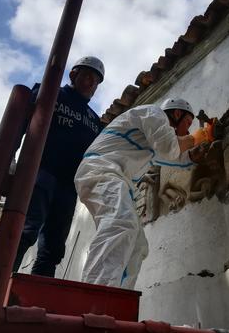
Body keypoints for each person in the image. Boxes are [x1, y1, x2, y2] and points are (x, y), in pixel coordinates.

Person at [74, 98, 213, 289]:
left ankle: (118, 300)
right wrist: (197, 137)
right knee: (120, 222)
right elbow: (169, 148)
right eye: (188, 124)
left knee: (138, 246)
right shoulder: (152, 113)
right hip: (100, 170)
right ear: (177, 114)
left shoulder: (150, 140)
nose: (188, 130)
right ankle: (94, 293)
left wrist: (192, 155)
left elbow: (173, 158)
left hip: (112, 177)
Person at [12, 56, 105, 277]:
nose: (91, 84)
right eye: (88, 76)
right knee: (24, 232)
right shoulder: (51, 94)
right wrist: (11, 159)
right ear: (74, 74)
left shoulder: (93, 120)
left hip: (68, 187)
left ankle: (31, 301)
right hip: (39, 173)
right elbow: (19, 124)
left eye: (96, 82)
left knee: (53, 249)